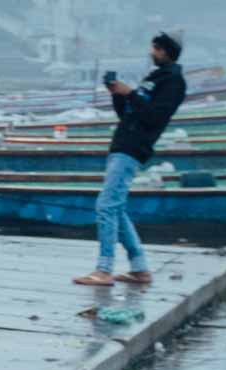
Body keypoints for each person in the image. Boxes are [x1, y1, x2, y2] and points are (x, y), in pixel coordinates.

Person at [74, 32, 187, 288]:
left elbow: (154, 118)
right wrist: (118, 94)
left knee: (105, 205)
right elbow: (127, 114)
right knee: (117, 208)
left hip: (133, 147)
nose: (152, 52)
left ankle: (104, 269)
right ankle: (139, 269)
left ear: (165, 51)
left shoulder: (173, 81)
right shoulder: (154, 78)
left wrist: (131, 93)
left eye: (155, 48)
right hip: (122, 143)